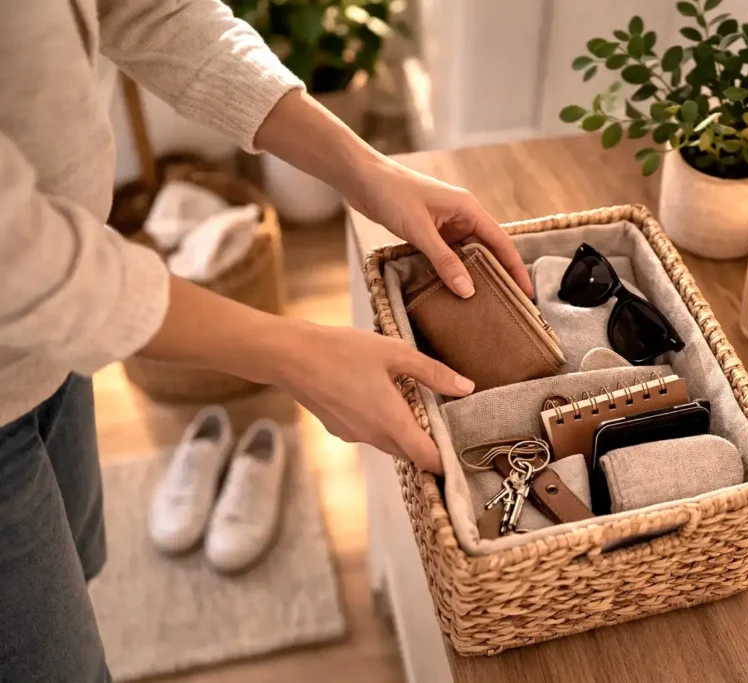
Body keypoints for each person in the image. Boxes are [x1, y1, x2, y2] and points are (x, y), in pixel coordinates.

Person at [0, 2, 531, 680]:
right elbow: (18, 260)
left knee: (74, 556)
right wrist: (292, 353)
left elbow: (149, 9)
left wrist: (365, 169)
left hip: (50, 351)